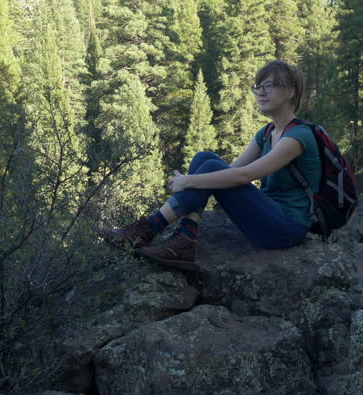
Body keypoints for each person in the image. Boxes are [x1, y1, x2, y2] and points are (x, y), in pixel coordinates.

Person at [101, 60, 320, 270]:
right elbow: (229, 171)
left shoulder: (298, 136)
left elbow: (243, 176)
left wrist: (189, 181)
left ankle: (150, 227)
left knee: (210, 169)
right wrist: (197, 182)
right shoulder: (267, 133)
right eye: (258, 86)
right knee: (204, 159)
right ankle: (185, 237)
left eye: (269, 86)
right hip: (266, 216)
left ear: (290, 92)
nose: (260, 92)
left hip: (288, 228)